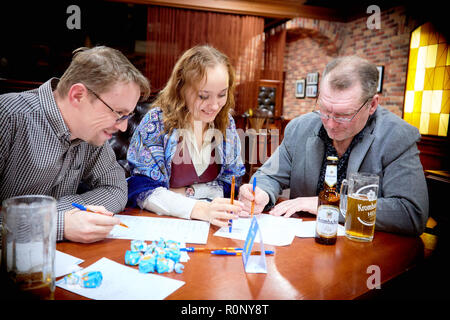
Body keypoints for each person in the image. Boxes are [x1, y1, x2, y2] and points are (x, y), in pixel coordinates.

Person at [239, 55, 429, 236]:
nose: (330, 123)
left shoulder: (396, 137)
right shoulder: (299, 128)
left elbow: (411, 213)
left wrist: (326, 205)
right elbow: (269, 175)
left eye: (343, 115)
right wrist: (260, 192)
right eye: (324, 109)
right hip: (301, 249)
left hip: (364, 254)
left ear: (372, 105)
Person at [0, 46, 150, 243]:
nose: (123, 128)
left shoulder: (90, 133)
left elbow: (116, 190)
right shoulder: (7, 117)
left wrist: (54, 214)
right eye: (118, 114)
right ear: (78, 95)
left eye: (127, 117)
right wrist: (54, 223)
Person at [127, 45, 245, 227]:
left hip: (213, 228)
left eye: (222, 94)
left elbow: (230, 186)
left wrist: (184, 192)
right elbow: (141, 190)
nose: (215, 106)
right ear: (181, 88)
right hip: (161, 227)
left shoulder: (226, 123)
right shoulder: (157, 122)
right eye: (204, 96)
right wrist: (199, 208)